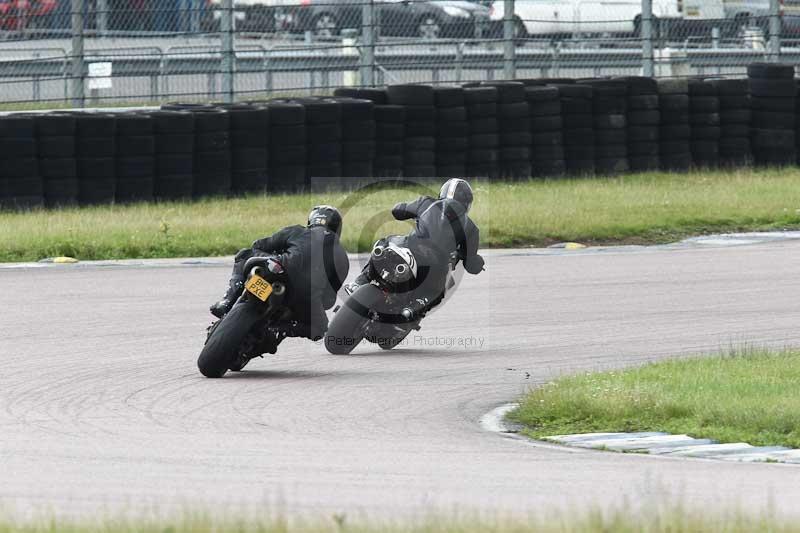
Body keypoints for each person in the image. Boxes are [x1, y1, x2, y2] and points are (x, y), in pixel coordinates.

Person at [210, 205, 350, 343]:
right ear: (337, 228)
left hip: (280, 270)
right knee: (320, 328)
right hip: (305, 297)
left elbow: (259, 245)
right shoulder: (342, 257)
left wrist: (277, 255)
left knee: (244, 254)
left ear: (311, 220)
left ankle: (227, 301)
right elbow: (329, 299)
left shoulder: (297, 231)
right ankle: (278, 330)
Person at [347, 178, 484, 318]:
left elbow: (397, 210)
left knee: (384, 243)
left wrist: (404, 209)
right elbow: (471, 264)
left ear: (442, 193)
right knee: (438, 292)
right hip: (435, 267)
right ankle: (413, 308)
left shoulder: (426, 202)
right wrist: (475, 262)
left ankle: (360, 281)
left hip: (410, 248)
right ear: (467, 203)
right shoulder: (472, 229)